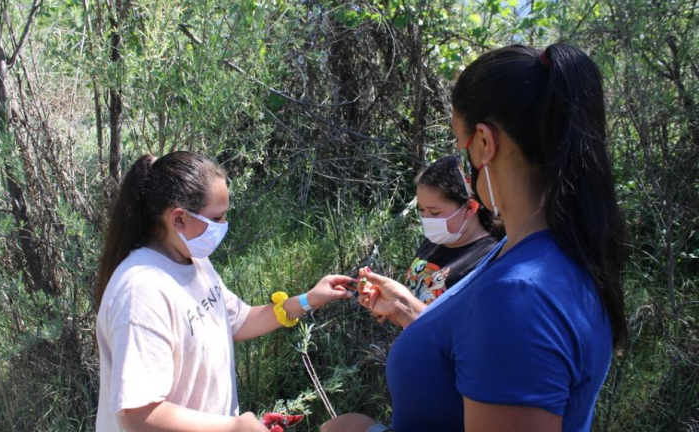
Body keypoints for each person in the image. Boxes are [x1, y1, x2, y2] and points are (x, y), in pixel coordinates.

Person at [323, 43, 627, 432]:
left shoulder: (520, 295)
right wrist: (405, 311)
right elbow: (477, 354)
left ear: (484, 143)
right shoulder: (537, 253)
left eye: (459, 144)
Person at [94, 151, 354, 432]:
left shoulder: (193, 260)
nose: (223, 227)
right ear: (179, 219)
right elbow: (138, 413)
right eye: (216, 218)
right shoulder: (140, 291)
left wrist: (309, 299)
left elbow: (237, 321)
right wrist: (235, 428)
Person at [405, 155, 503, 305]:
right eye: (422, 210)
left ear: (470, 207)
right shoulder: (437, 239)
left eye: (435, 212)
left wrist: (400, 308)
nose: (426, 219)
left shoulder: (490, 258)